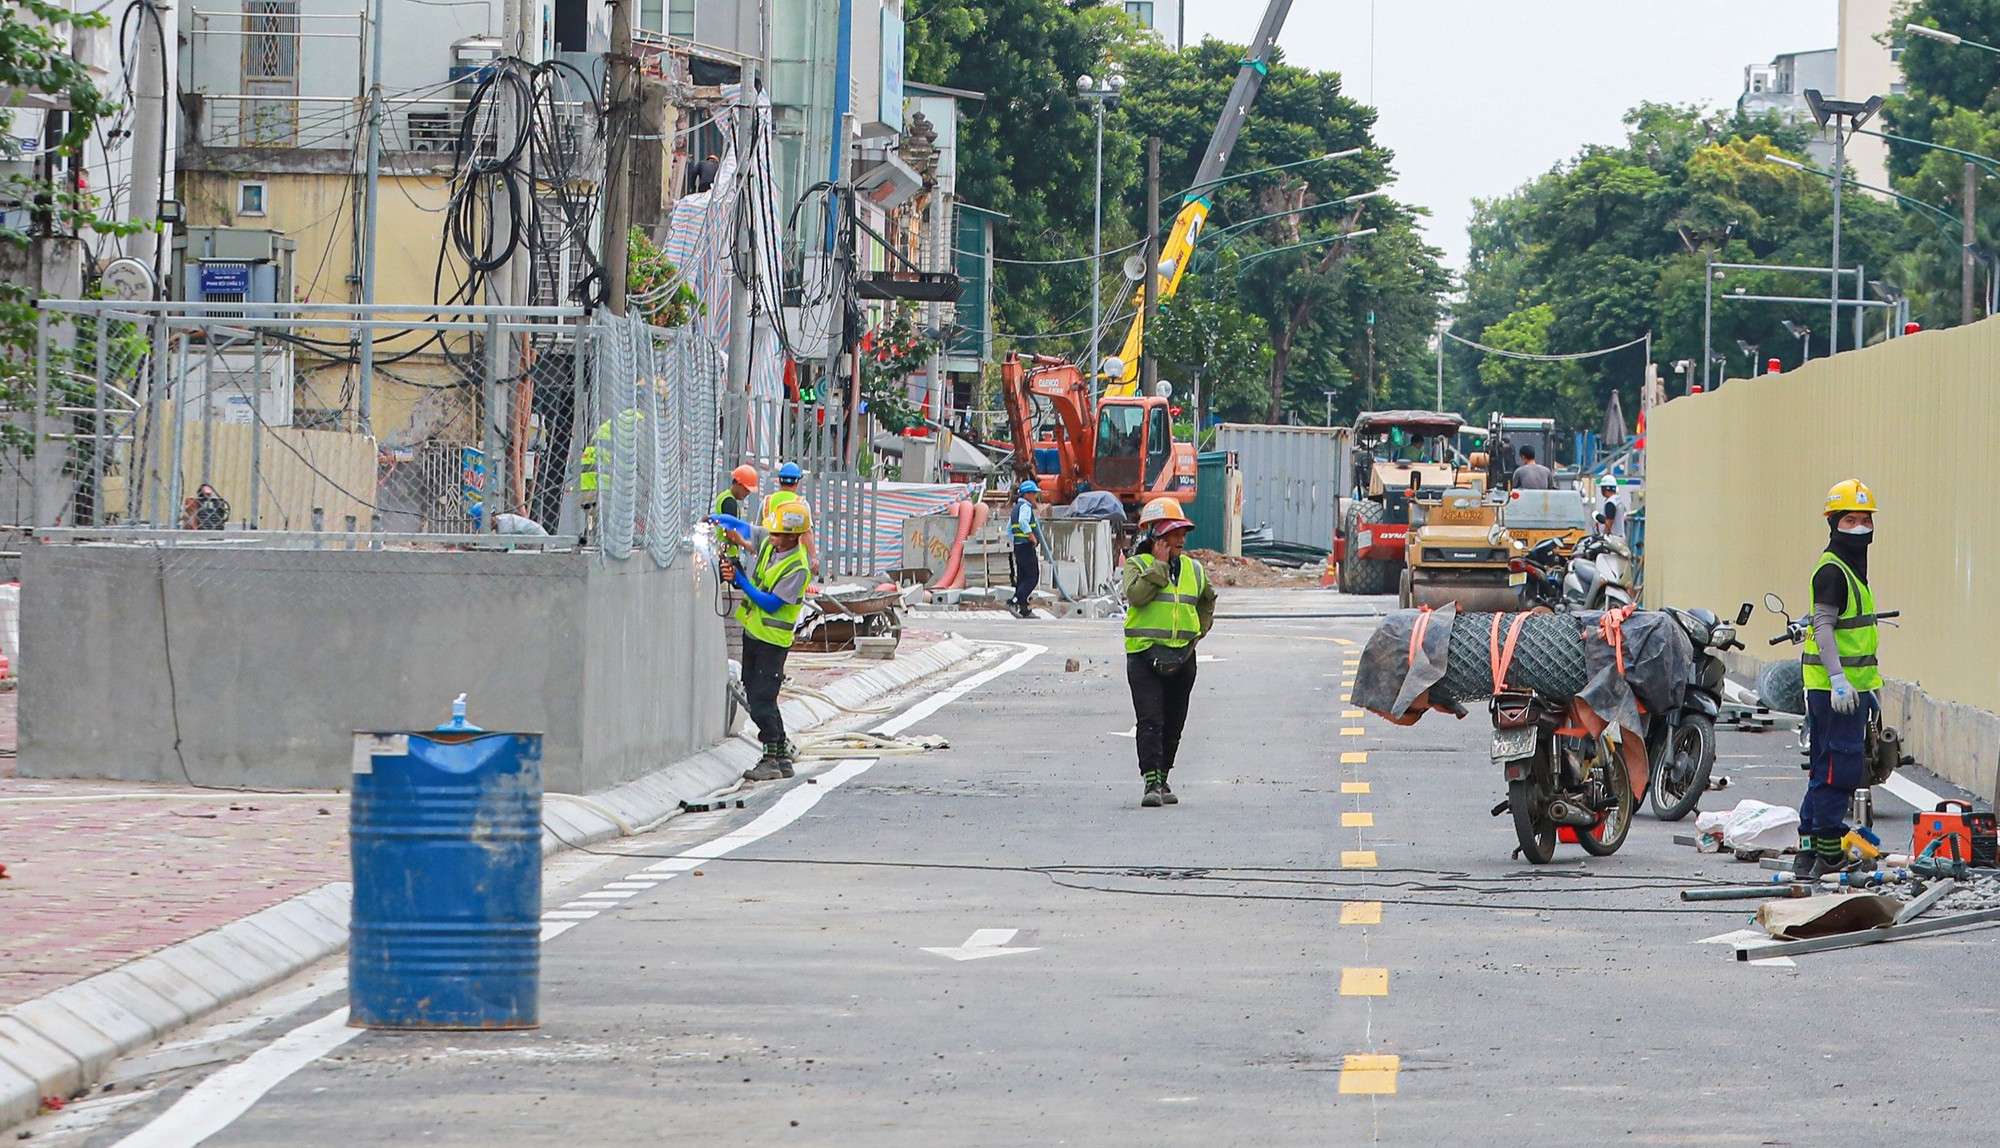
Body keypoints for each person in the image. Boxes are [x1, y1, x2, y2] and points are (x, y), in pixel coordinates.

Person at [1794, 479, 1883, 878]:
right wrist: (1840, 680)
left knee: (1823, 766)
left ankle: (1808, 850)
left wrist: (1865, 686)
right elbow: (1825, 627)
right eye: (1850, 519)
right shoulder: (1833, 571)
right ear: (1832, 523)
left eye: (1865, 520)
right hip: (1836, 690)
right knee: (1839, 768)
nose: (1860, 528)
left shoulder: (1848, 570)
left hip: (1847, 687)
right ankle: (1830, 853)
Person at [1122, 497, 1217, 808]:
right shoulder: (1137, 566)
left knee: (1175, 721)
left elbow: (1207, 598)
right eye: (1175, 533)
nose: (1181, 539)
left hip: (1182, 657)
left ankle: (1163, 778)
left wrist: (1199, 630)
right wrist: (1159, 566)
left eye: (1183, 533)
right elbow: (1137, 597)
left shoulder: (1194, 569)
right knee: (1150, 719)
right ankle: (1150, 781)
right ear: (1157, 536)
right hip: (1144, 655)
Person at [709, 502, 814, 781]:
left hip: (772, 642)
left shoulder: (798, 567)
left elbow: (770, 603)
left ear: (794, 536)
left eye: (778, 535)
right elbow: (748, 529)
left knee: (762, 700)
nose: (772, 537)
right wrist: (722, 520)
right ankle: (779, 758)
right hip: (754, 635)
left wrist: (741, 581)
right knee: (756, 694)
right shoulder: (771, 543)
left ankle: (772, 757)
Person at [1009, 480, 1047, 618]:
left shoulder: (1016, 508)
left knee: (1022, 578)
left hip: (1018, 547)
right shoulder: (1025, 507)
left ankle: (1024, 609)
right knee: (1032, 577)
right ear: (1028, 494)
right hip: (1026, 546)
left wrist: (1016, 540)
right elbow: (1023, 522)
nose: (1035, 496)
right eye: (1034, 493)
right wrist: (1031, 537)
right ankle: (1013, 601)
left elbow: (1010, 528)